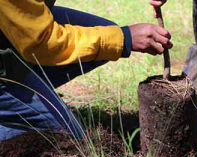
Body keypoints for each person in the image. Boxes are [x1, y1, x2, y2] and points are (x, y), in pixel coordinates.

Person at [0, 0, 172, 141]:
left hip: (20, 27)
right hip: (35, 42)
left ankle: (29, 96)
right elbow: (45, 43)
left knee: (105, 32)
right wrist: (123, 38)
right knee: (68, 140)